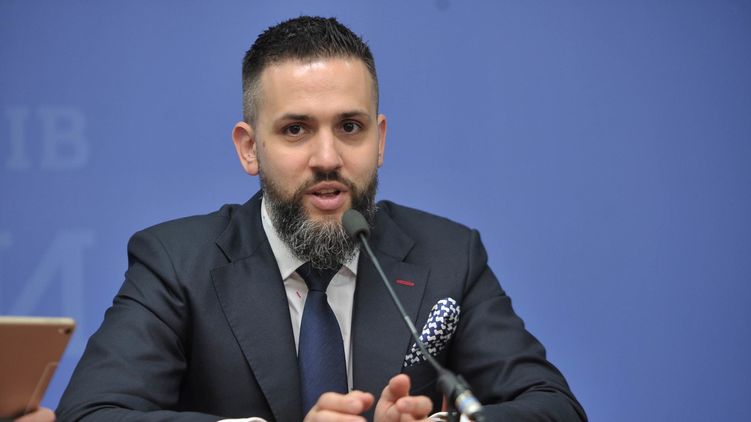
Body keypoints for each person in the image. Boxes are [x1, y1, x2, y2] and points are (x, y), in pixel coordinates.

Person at [56, 16, 587, 422]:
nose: (328, 157)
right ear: (249, 148)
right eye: (296, 130)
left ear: (380, 139)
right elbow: (92, 414)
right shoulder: (176, 264)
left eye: (350, 127)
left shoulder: (449, 255)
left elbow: (554, 406)